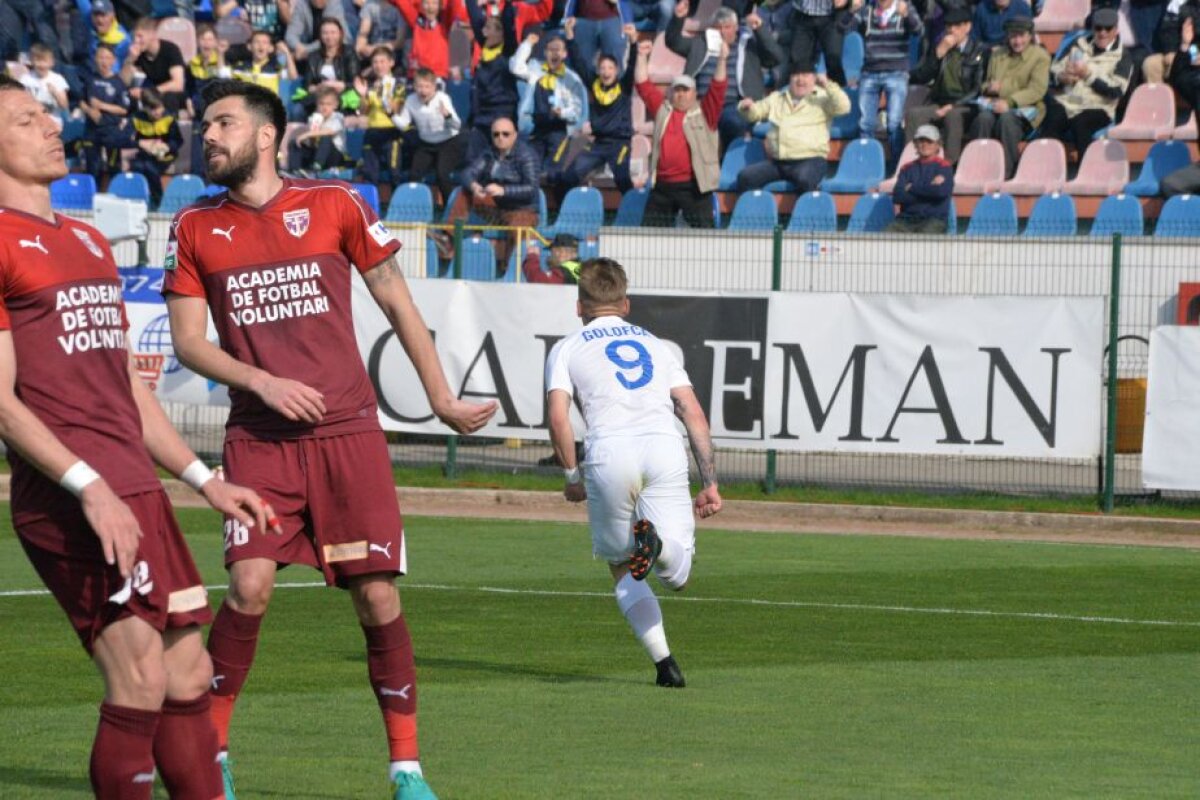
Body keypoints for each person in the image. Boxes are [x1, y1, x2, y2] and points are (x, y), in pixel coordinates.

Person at [163, 78, 498, 800]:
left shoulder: (335, 203)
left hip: (348, 434)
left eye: (222, 122)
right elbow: (190, 343)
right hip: (258, 438)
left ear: (264, 135)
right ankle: (211, 754)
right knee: (248, 587)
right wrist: (261, 382)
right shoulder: (194, 226)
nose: (208, 136)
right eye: (204, 124)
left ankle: (406, 770)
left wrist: (439, 397)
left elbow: (396, 300)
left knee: (376, 598)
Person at [0, 74, 273, 800]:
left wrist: (206, 481)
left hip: (137, 489)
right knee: (141, 675)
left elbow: (127, 385)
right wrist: (89, 489)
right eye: (26, 120)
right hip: (69, 496)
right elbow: (1, 403)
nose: (51, 126)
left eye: (46, 114)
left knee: (188, 674)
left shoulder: (88, 238)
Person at [545, 257, 722, 688]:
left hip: (609, 453)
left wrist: (572, 477)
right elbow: (692, 411)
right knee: (678, 578)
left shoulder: (567, 346)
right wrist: (711, 481)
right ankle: (659, 548)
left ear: (578, 307)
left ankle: (665, 665)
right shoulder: (657, 345)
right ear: (625, 304)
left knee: (624, 567)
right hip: (663, 447)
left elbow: (557, 416)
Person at [634, 36, 728, 228]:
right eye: (677, 90)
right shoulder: (663, 110)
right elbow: (642, 84)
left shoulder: (706, 113)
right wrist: (641, 56)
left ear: (694, 93)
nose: (681, 94)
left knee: (706, 240)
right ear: (671, 92)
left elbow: (718, 87)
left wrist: (722, 60)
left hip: (694, 186)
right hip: (662, 186)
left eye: (686, 90)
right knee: (648, 239)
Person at [664, 2, 783, 146]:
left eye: (727, 27)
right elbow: (673, 42)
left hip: (734, 105)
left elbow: (776, 58)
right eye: (718, 28)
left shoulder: (748, 47)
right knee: (681, 122)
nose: (722, 32)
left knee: (734, 123)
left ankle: (727, 164)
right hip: (701, 103)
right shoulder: (700, 43)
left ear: (736, 27)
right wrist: (678, 18)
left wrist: (760, 29)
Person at [734, 62, 850, 192]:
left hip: (811, 160)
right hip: (779, 162)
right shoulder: (777, 98)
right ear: (790, 78)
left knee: (804, 179)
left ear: (813, 78)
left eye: (805, 75)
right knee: (745, 177)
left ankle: (805, 211)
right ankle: (757, 212)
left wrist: (828, 85)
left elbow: (844, 107)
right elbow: (755, 113)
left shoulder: (822, 98)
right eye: (796, 75)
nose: (800, 79)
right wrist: (746, 107)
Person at [451, 115, 541, 272]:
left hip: (522, 209)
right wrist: (474, 186)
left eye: (505, 134)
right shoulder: (489, 153)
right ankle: (449, 240)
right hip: (496, 208)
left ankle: (510, 268)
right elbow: (467, 173)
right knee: (464, 192)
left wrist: (503, 191)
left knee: (518, 225)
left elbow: (531, 189)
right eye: (496, 134)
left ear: (515, 135)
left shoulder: (527, 155)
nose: (500, 138)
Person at [966, 16, 1049, 179]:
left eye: (1021, 36)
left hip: (1026, 108)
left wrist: (1009, 99)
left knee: (1007, 119)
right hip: (995, 105)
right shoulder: (997, 55)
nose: (1017, 41)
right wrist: (989, 89)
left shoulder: (1040, 57)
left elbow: (1037, 90)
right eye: (1013, 36)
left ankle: (1007, 173)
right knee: (983, 119)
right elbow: (985, 83)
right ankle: (977, 169)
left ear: (1029, 36)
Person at [560, 24, 638, 192]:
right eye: (602, 68)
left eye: (610, 68)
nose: (606, 72)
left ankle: (637, 216)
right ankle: (566, 215)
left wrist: (633, 42)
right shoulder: (594, 83)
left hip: (619, 144)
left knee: (623, 179)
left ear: (616, 71)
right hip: (598, 144)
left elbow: (632, 64)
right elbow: (578, 61)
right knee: (568, 177)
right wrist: (570, 36)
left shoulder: (623, 87)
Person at [1040, 8, 1133, 150]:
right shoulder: (1078, 43)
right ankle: (1045, 167)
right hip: (1068, 102)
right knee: (1052, 120)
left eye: (1108, 29)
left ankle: (1085, 169)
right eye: (1098, 28)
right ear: (1093, 29)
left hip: (1098, 107)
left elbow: (1116, 91)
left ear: (1116, 30)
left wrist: (1088, 76)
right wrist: (1061, 77)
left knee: (1081, 123)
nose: (1102, 33)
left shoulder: (1123, 56)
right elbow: (1054, 70)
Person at [905, 7, 989, 164]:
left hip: (965, 104)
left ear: (968, 27)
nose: (951, 31)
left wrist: (954, 105)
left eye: (957, 26)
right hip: (940, 101)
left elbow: (978, 88)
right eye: (949, 26)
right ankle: (912, 164)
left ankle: (948, 166)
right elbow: (922, 76)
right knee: (914, 115)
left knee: (953, 116)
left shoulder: (980, 50)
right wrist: (938, 54)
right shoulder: (941, 47)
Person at [843, 0, 923, 165]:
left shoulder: (905, 6)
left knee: (894, 123)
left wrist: (907, 16)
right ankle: (866, 165)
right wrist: (851, 11)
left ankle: (897, 166)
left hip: (897, 72)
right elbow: (843, 29)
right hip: (870, 72)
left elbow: (919, 31)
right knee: (866, 123)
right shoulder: (867, 10)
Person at [510, 29, 588, 182]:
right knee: (530, 171)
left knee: (552, 173)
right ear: (545, 52)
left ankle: (554, 205)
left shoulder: (572, 79)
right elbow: (515, 67)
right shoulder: (535, 69)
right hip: (535, 129)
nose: (554, 53)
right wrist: (527, 44)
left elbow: (577, 110)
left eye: (558, 50)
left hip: (558, 131)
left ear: (565, 54)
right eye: (551, 50)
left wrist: (562, 112)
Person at [392, 67, 465, 204]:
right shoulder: (411, 100)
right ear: (414, 86)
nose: (423, 90)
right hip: (426, 143)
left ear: (434, 87)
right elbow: (403, 124)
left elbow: (457, 125)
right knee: (414, 175)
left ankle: (449, 211)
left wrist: (447, 117)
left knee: (442, 174)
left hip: (448, 142)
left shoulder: (442, 98)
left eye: (427, 86)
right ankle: (414, 208)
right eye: (419, 86)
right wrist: (392, 114)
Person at [465, 0, 519, 158]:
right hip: (481, 115)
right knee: (472, 160)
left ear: (500, 33)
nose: (483, 31)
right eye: (484, 28)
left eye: (488, 28)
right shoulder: (485, 49)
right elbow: (474, 16)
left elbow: (508, 23)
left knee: (499, 159)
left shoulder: (508, 51)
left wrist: (507, 3)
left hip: (502, 114)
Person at [80, 44, 135, 183]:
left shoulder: (118, 83)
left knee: (113, 167)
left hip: (111, 129)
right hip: (92, 129)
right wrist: (89, 110)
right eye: (100, 57)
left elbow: (123, 109)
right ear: (95, 59)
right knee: (92, 167)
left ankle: (113, 197)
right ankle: (92, 197)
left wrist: (101, 106)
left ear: (113, 61)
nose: (103, 61)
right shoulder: (90, 79)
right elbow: (81, 101)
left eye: (107, 58)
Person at [886, 123, 953, 232]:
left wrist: (912, 188)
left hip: (933, 220)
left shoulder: (944, 167)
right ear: (915, 144)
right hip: (905, 220)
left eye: (929, 141)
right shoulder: (906, 168)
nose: (925, 145)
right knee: (884, 238)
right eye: (921, 141)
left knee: (922, 242)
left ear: (937, 145)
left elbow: (940, 192)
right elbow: (898, 196)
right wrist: (929, 190)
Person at [354, 45, 407, 184]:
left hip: (391, 132)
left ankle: (398, 203)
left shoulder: (398, 84)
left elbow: (396, 109)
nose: (379, 66)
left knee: (394, 172)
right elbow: (363, 111)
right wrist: (364, 96)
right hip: (372, 131)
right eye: (375, 62)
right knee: (370, 174)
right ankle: (369, 205)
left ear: (391, 62)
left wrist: (383, 95)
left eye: (382, 61)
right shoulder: (369, 85)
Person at [130, 86, 183, 207]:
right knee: (137, 166)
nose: (157, 112)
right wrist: (141, 143)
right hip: (144, 155)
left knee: (150, 167)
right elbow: (124, 139)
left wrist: (167, 146)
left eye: (159, 107)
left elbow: (178, 141)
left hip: (164, 156)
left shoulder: (169, 118)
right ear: (145, 108)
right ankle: (139, 200)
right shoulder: (137, 118)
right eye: (153, 109)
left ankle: (157, 201)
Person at [122, 16, 187, 113]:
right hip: (150, 92)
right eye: (134, 36)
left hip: (169, 93)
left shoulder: (171, 50)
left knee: (170, 98)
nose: (136, 41)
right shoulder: (139, 53)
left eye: (140, 36)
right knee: (126, 97)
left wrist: (148, 93)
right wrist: (130, 60)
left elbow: (178, 84)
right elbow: (124, 82)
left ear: (153, 35)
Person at [391, 0, 465, 79]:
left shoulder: (445, 23)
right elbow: (401, 3)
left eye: (434, 3)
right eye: (426, 3)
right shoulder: (416, 21)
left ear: (440, 6)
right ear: (421, 5)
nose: (430, 7)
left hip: (438, 75)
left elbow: (455, 7)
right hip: (417, 74)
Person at [287, 84, 348, 173]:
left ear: (335, 105)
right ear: (317, 104)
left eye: (328, 104)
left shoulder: (338, 117)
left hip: (335, 156)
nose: (324, 107)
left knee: (325, 138)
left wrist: (307, 134)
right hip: (317, 152)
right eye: (321, 104)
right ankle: (295, 170)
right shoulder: (314, 118)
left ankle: (316, 169)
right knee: (295, 142)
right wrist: (311, 136)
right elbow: (312, 143)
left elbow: (329, 132)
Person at [790, 0, 851, 86]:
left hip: (832, 14)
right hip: (802, 13)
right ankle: (804, 97)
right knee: (799, 63)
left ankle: (838, 96)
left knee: (833, 59)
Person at [227, 28, 301, 96]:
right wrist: (220, 53)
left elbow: (293, 76)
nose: (261, 45)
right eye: (257, 42)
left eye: (265, 42)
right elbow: (222, 73)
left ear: (271, 48)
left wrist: (287, 52)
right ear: (249, 46)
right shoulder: (240, 66)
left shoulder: (275, 67)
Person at [20, 43, 71, 119]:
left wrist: (55, 93)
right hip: (32, 120)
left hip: (52, 120)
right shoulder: (25, 79)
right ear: (32, 61)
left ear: (52, 63)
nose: (41, 64)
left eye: (45, 61)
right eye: (38, 61)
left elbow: (64, 105)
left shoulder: (57, 79)